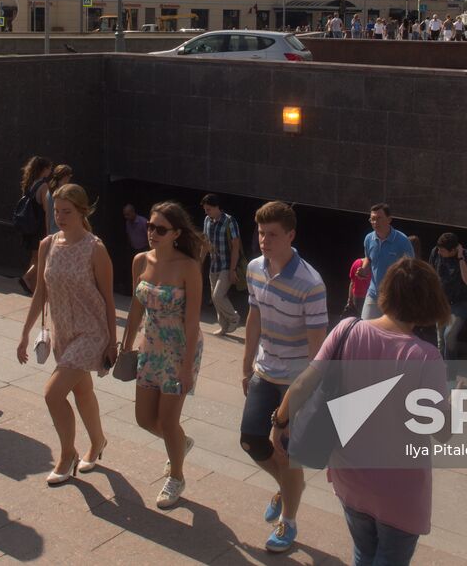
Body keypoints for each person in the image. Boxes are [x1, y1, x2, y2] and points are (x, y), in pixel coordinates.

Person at [270, 258, 451, 566]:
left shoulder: (347, 329)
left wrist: (279, 422)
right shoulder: (425, 357)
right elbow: (443, 432)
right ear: (428, 302)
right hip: (399, 490)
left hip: (349, 478)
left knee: (363, 554)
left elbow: (303, 383)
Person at [240, 201, 328, 555]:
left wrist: (300, 405)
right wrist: (246, 367)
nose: (264, 240)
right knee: (251, 441)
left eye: (272, 234)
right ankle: (286, 487)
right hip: (265, 369)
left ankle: (288, 522)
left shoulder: (311, 283)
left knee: (288, 452)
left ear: (291, 235)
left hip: (296, 379)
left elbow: (317, 351)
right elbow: (254, 318)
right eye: (261, 233)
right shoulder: (254, 269)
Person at [15, 183, 115, 484]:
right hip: (62, 331)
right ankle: (98, 443)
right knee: (82, 391)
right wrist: (24, 333)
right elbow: (40, 293)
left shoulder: (95, 248)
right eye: (56, 211)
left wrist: (112, 341)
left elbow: (109, 300)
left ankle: (67, 454)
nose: (60, 216)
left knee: (53, 393)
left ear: (82, 211)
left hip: (90, 332)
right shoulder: (47, 245)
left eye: (67, 211)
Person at [120, 202, 204, 509]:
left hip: (180, 349)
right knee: (144, 419)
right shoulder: (140, 260)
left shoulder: (188, 267)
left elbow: (193, 321)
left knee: (168, 420)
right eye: (150, 227)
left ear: (176, 233)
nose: (152, 233)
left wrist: (185, 368)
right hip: (150, 346)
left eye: (160, 229)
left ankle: (177, 476)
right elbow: (135, 307)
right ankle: (179, 445)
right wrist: (126, 344)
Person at [359, 204, 415, 320]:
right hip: (373, 294)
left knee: (390, 333)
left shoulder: (402, 241)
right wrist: (364, 270)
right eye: (372, 219)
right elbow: (368, 258)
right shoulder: (368, 239)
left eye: (379, 218)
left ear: (389, 219)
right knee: (366, 327)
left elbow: (411, 268)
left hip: (394, 297)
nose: (375, 222)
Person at [431, 233, 467, 368]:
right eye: (439, 249)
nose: (439, 252)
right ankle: (440, 372)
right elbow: (432, 273)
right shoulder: (436, 252)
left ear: (453, 250)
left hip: (460, 302)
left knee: (449, 335)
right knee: (441, 341)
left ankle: (450, 375)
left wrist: (461, 257)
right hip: (442, 301)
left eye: (443, 250)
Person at [201, 193, 242, 335]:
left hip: (227, 264)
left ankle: (234, 318)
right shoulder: (207, 220)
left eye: (209, 209)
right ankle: (223, 326)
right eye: (205, 210)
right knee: (215, 298)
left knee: (218, 295)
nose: (206, 212)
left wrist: (232, 270)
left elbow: (236, 246)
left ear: (217, 207)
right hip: (214, 265)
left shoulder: (229, 221)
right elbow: (205, 243)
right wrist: (199, 262)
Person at [18, 156, 52, 294]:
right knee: (42, 258)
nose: (50, 171)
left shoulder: (29, 184)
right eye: (49, 168)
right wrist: (49, 231)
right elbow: (47, 210)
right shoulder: (43, 186)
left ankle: (32, 286)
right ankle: (26, 278)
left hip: (30, 227)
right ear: (44, 169)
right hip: (40, 228)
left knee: (34, 256)